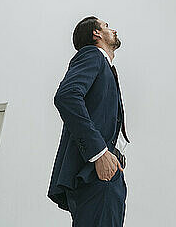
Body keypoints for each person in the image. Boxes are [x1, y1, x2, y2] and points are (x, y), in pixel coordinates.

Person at [47, 16, 130, 226]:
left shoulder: (105, 66)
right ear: (97, 33)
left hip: (107, 172)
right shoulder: (93, 55)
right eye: (106, 26)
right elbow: (67, 96)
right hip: (95, 170)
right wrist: (99, 153)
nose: (113, 29)